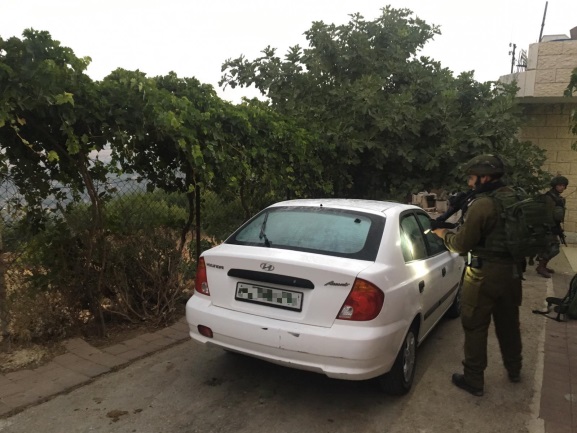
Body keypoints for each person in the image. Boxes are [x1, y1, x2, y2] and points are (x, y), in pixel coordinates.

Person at [432, 154, 522, 397]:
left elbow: (461, 244)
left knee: (474, 325)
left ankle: (473, 379)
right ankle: (515, 369)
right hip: (512, 273)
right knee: (509, 323)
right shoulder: (515, 197)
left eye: (472, 178)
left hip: (484, 274)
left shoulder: (483, 204)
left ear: (485, 176)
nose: (470, 184)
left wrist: (442, 233)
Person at [535, 176, 568, 278]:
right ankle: (541, 267)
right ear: (555, 185)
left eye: (564, 186)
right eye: (560, 185)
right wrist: (552, 227)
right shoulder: (549, 197)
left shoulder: (557, 197)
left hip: (552, 226)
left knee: (548, 247)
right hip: (547, 227)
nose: (562, 188)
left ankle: (543, 265)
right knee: (553, 248)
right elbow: (548, 214)